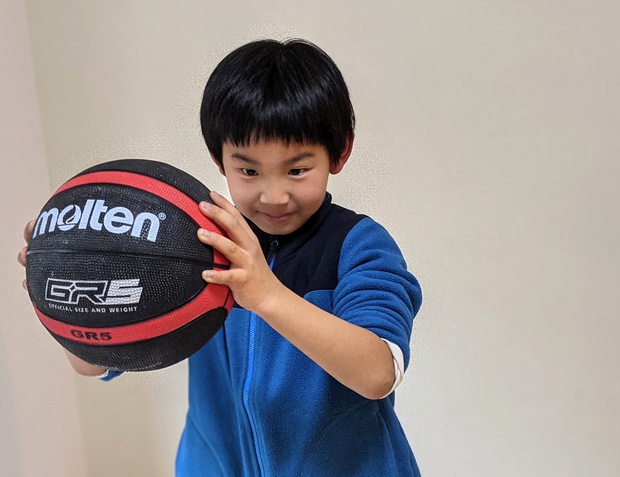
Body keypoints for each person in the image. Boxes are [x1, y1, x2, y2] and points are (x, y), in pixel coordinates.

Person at [19, 38, 423, 476]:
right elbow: (94, 364)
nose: (273, 195)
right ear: (219, 158)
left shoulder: (359, 245)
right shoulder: (194, 244)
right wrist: (61, 300)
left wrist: (266, 295)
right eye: (248, 171)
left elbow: (378, 374)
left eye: (297, 170)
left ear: (339, 153)